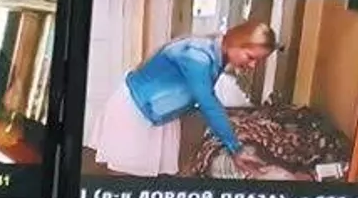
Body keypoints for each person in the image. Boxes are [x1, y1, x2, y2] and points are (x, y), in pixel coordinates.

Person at [90, 20, 279, 178]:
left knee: (149, 177)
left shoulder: (217, 52)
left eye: (257, 61)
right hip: (135, 109)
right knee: (124, 175)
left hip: (159, 112)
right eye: (250, 57)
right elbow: (208, 102)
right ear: (236, 42)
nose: (253, 66)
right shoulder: (197, 56)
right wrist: (235, 148)